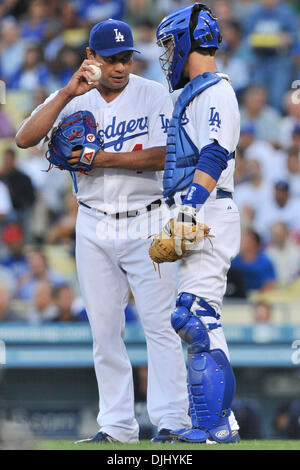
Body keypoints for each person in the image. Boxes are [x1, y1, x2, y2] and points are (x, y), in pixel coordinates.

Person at [15, 18, 190, 444]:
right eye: (110, 58)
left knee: (160, 326)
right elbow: (25, 138)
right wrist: (66, 94)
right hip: (93, 223)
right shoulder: (73, 99)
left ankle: (171, 422)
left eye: (126, 57)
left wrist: (102, 158)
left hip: (148, 218)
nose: (120, 66)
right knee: (104, 332)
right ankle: (116, 426)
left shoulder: (152, 94)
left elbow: (169, 154)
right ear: (90, 58)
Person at [154, 3, 241, 443]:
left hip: (207, 209)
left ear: (188, 41)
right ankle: (223, 425)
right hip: (197, 209)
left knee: (194, 316)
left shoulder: (216, 91)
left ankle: (212, 426)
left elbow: (214, 154)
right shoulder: (195, 92)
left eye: (170, 45)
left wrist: (188, 207)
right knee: (203, 321)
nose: (168, 54)